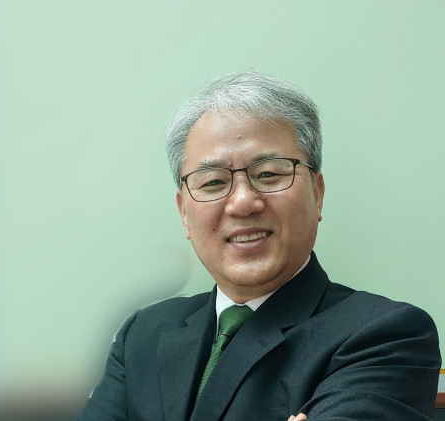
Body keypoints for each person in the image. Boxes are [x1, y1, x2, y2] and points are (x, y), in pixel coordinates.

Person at [78, 72, 441, 421]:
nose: (242, 203)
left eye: (268, 174)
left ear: (317, 194)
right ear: (184, 213)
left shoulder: (386, 336)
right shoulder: (143, 334)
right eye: (213, 182)